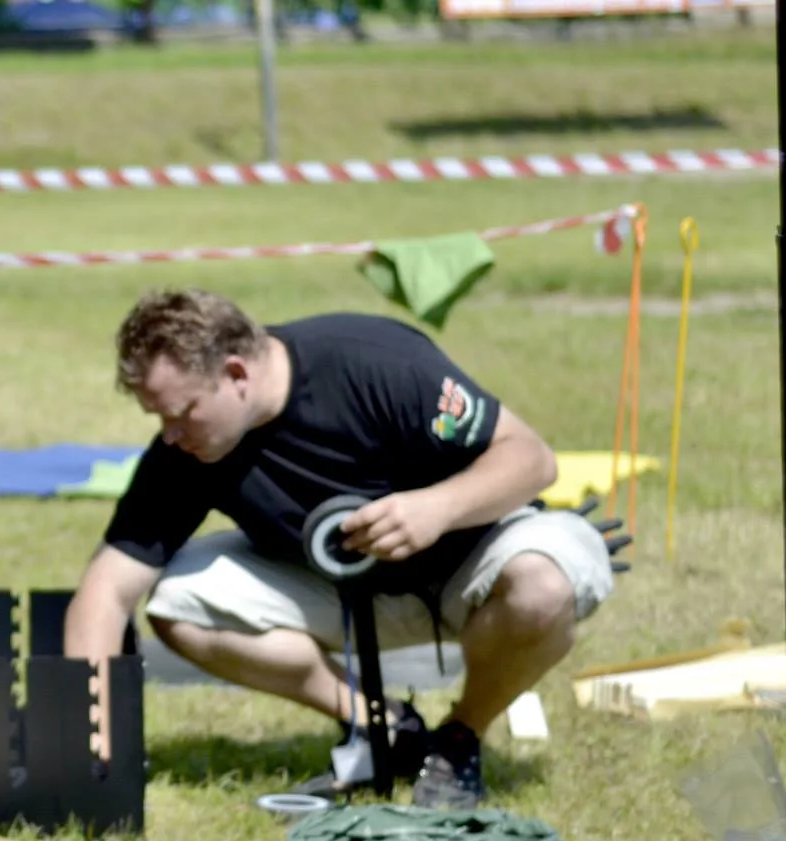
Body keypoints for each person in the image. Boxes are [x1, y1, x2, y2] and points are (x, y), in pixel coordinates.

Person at [63, 289, 617, 809]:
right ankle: (385, 727)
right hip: (353, 599)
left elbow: (533, 459)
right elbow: (106, 591)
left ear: (236, 374)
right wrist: (92, 747)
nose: (169, 434)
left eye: (181, 412)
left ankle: (459, 739)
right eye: (159, 418)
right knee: (178, 603)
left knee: (542, 585)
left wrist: (436, 508)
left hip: (474, 570)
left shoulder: (372, 361)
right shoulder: (187, 452)